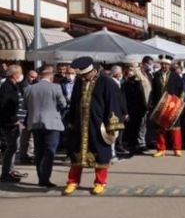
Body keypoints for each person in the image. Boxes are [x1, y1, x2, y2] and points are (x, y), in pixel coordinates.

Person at [62, 57, 125, 196]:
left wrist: (112, 125)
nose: (83, 78)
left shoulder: (106, 82)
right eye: (81, 76)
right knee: (76, 154)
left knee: (100, 154)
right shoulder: (79, 81)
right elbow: (74, 102)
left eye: (85, 75)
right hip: (80, 125)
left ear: (92, 71)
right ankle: (72, 182)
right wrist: (71, 121)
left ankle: (100, 182)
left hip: (98, 125)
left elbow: (113, 103)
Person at [25, 65, 67, 187]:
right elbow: (63, 104)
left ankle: (41, 178)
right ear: (51, 77)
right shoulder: (56, 87)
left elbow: (25, 106)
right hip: (52, 123)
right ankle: (45, 178)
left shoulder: (29, 89)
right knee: (49, 151)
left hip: (35, 123)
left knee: (39, 152)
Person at [151, 55, 185, 157]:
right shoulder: (156, 75)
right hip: (160, 105)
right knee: (160, 129)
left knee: (175, 128)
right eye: (163, 64)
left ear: (169, 65)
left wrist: (179, 102)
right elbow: (153, 91)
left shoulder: (175, 76)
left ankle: (177, 148)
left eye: (166, 64)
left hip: (172, 105)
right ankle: (161, 149)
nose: (164, 66)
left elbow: (182, 90)